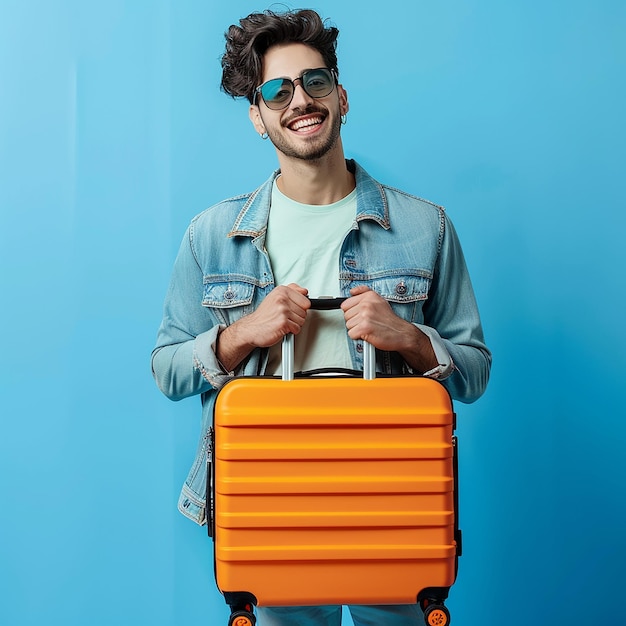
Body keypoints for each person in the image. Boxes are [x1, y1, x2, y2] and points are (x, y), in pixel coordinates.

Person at [151, 8, 491, 626]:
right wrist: (240, 334)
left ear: (341, 95)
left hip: (394, 489)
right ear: (257, 117)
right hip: (272, 489)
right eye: (277, 90)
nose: (299, 101)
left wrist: (410, 339)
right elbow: (166, 370)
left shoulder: (426, 227)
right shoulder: (212, 235)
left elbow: (472, 373)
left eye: (314, 82)